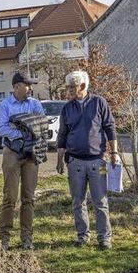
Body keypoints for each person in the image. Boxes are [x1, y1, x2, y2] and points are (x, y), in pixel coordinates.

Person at [56, 70, 119, 250]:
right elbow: (62, 135)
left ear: (82, 86)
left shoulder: (99, 103)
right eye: (67, 86)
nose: (68, 90)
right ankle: (83, 235)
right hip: (75, 162)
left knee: (100, 201)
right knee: (78, 201)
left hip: (97, 161)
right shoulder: (67, 108)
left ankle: (104, 237)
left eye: (71, 87)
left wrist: (114, 152)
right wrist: (60, 160)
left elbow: (110, 127)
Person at [0, 72, 45, 250]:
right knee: (10, 196)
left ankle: (27, 237)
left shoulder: (35, 103)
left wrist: (23, 129)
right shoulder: (5, 105)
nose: (31, 88)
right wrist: (25, 133)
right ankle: (4, 237)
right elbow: (2, 128)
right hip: (12, 152)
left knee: (29, 197)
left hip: (31, 153)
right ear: (17, 87)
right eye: (27, 85)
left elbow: (41, 125)